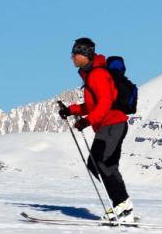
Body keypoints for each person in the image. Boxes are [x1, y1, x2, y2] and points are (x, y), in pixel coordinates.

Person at [57, 37, 133, 220]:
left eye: (75, 53)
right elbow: (94, 104)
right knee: (98, 164)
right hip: (107, 125)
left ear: (85, 55)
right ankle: (121, 204)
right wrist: (71, 110)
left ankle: (123, 206)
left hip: (113, 124)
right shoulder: (91, 74)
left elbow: (106, 102)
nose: (72, 57)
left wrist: (87, 121)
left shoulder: (97, 74)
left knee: (103, 163)